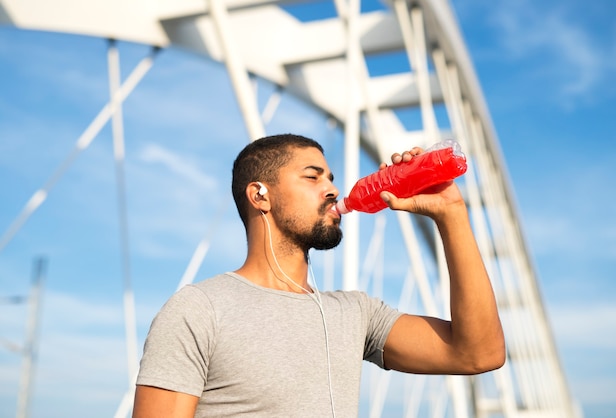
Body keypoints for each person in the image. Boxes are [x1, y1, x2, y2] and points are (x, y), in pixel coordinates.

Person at [132, 133, 505, 418]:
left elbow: (479, 354)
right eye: (312, 178)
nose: (333, 190)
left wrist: (451, 213)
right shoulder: (199, 309)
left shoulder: (355, 313)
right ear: (259, 196)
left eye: (330, 178)